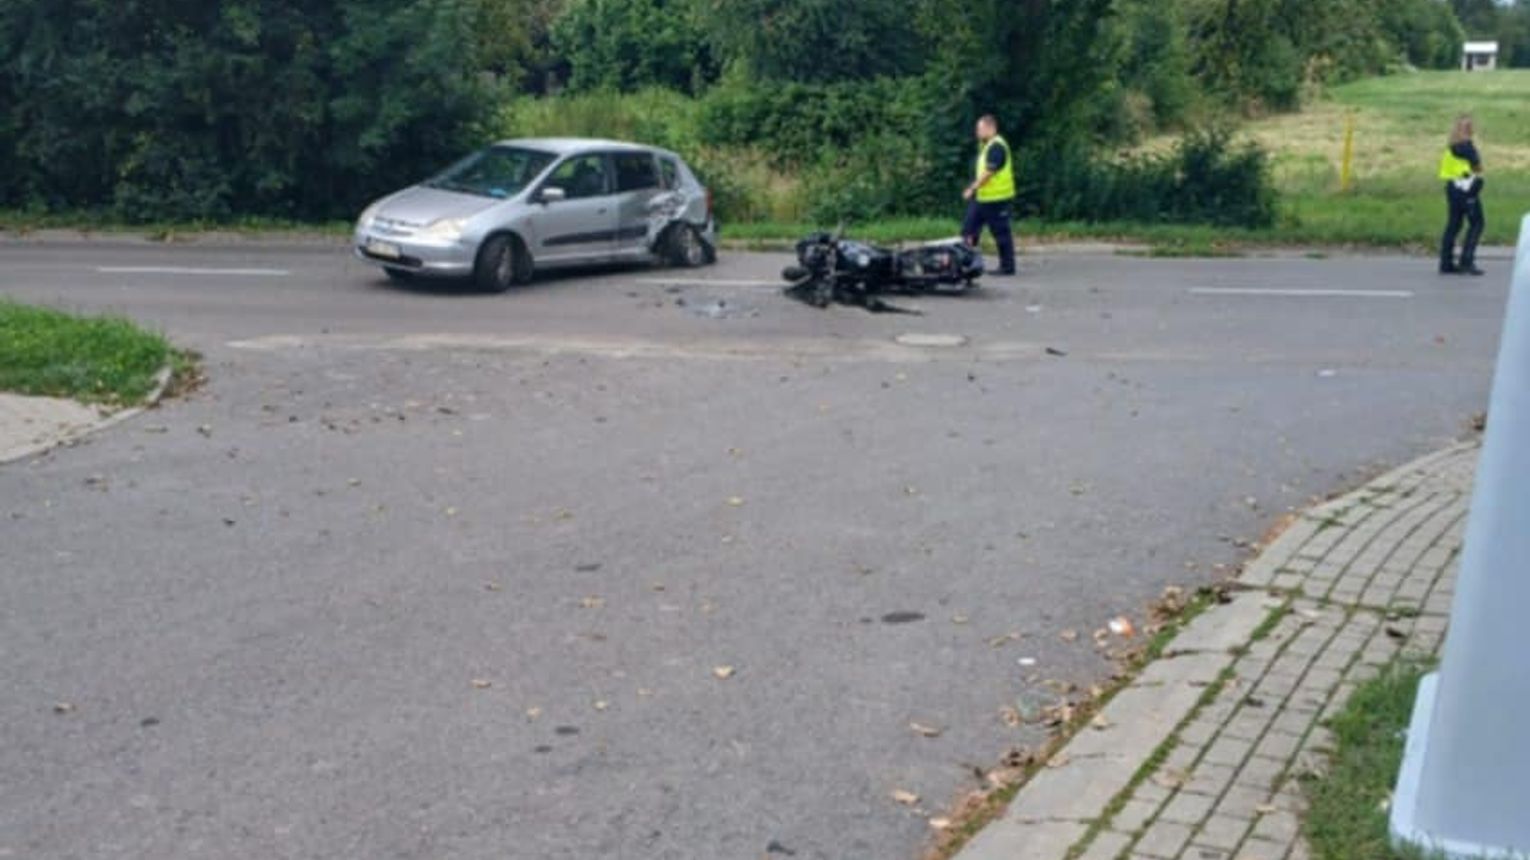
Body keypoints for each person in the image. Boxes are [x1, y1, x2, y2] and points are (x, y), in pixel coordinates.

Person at [962, 115, 1017, 276]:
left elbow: (988, 172)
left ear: (990, 128)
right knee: (968, 231)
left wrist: (972, 188)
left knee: (1001, 234)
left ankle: (1007, 267)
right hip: (982, 198)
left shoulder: (997, 147)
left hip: (996, 199)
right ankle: (967, 264)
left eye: (979, 129)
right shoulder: (985, 146)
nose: (977, 132)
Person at [1439, 114, 1486, 276]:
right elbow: (1478, 167)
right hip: (1467, 187)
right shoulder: (1467, 147)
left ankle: (1446, 262)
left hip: (1452, 187)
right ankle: (1466, 261)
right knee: (1477, 223)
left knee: (1454, 224)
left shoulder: (1451, 147)